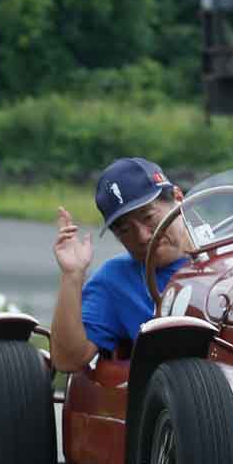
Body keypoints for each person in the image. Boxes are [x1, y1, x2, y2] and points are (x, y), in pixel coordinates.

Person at [49, 157, 191, 372]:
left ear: (178, 199)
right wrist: (72, 275)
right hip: (180, 395)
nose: (143, 237)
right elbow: (68, 360)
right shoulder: (115, 280)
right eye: (125, 230)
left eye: (148, 216)